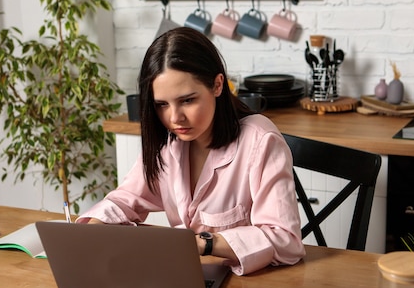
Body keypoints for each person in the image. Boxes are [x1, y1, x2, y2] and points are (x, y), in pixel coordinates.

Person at [77, 27, 305, 275]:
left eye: (187, 100)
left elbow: (286, 241)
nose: (175, 118)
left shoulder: (260, 141)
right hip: (185, 278)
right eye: (162, 104)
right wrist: (93, 229)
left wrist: (202, 244)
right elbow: (125, 200)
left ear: (218, 85)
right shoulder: (167, 142)